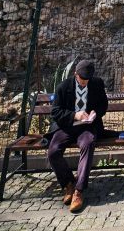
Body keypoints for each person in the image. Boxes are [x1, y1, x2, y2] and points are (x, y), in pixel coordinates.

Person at [46, 60, 108, 213]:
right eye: (82, 79)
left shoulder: (97, 84)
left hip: (88, 127)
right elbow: (55, 112)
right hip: (66, 127)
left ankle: (78, 191)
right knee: (53, 151)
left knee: (88, 144)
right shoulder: (63, 87)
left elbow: (103, 105)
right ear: (75, 74)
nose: (84, 83)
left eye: (87, 80)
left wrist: (95, 113)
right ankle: (68, 184)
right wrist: (75, 115)